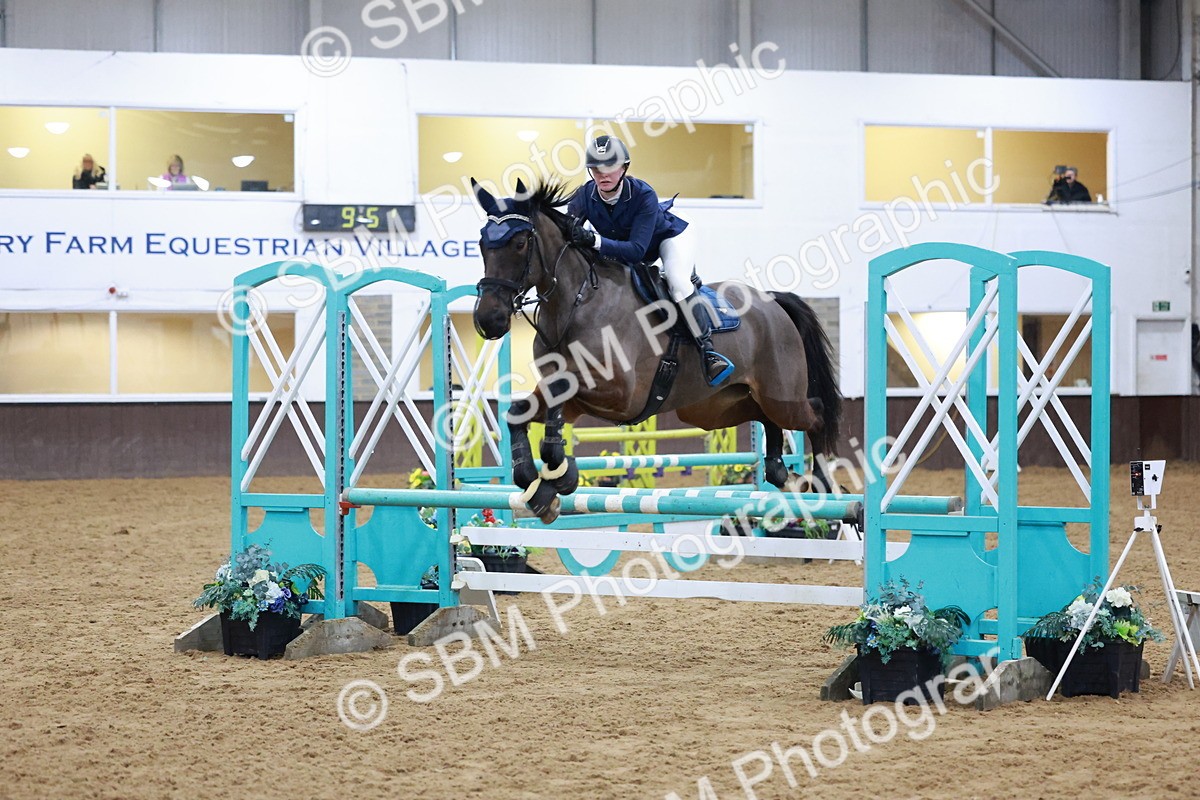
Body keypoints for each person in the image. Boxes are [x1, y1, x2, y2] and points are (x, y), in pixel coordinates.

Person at [565, 135, 734, 387]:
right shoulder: (584, 196)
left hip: (667, 237)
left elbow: (636, 251)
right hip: (626, 248)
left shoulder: (643, 194)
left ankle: (708, 351)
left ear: (624, 168)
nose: (603, 175)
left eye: (610, 167)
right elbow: (569, 233)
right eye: (596, 169)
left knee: (676, 281)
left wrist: (593, 241)